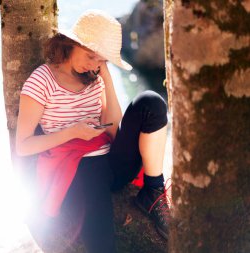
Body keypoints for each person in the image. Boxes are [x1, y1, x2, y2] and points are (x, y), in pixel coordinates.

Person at [16, 9, 170, 253]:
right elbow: (23, 145)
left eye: (101, 60)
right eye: (90, 56)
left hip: (111, 160)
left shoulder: (94, 76)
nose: (93, 65)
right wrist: (73, 132)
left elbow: (114, 127)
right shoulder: (41, 80)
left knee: (150, 101)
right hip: (78, 169)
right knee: (101, 243)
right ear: (71, 43)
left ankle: (153, 190)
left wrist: (106, 77)